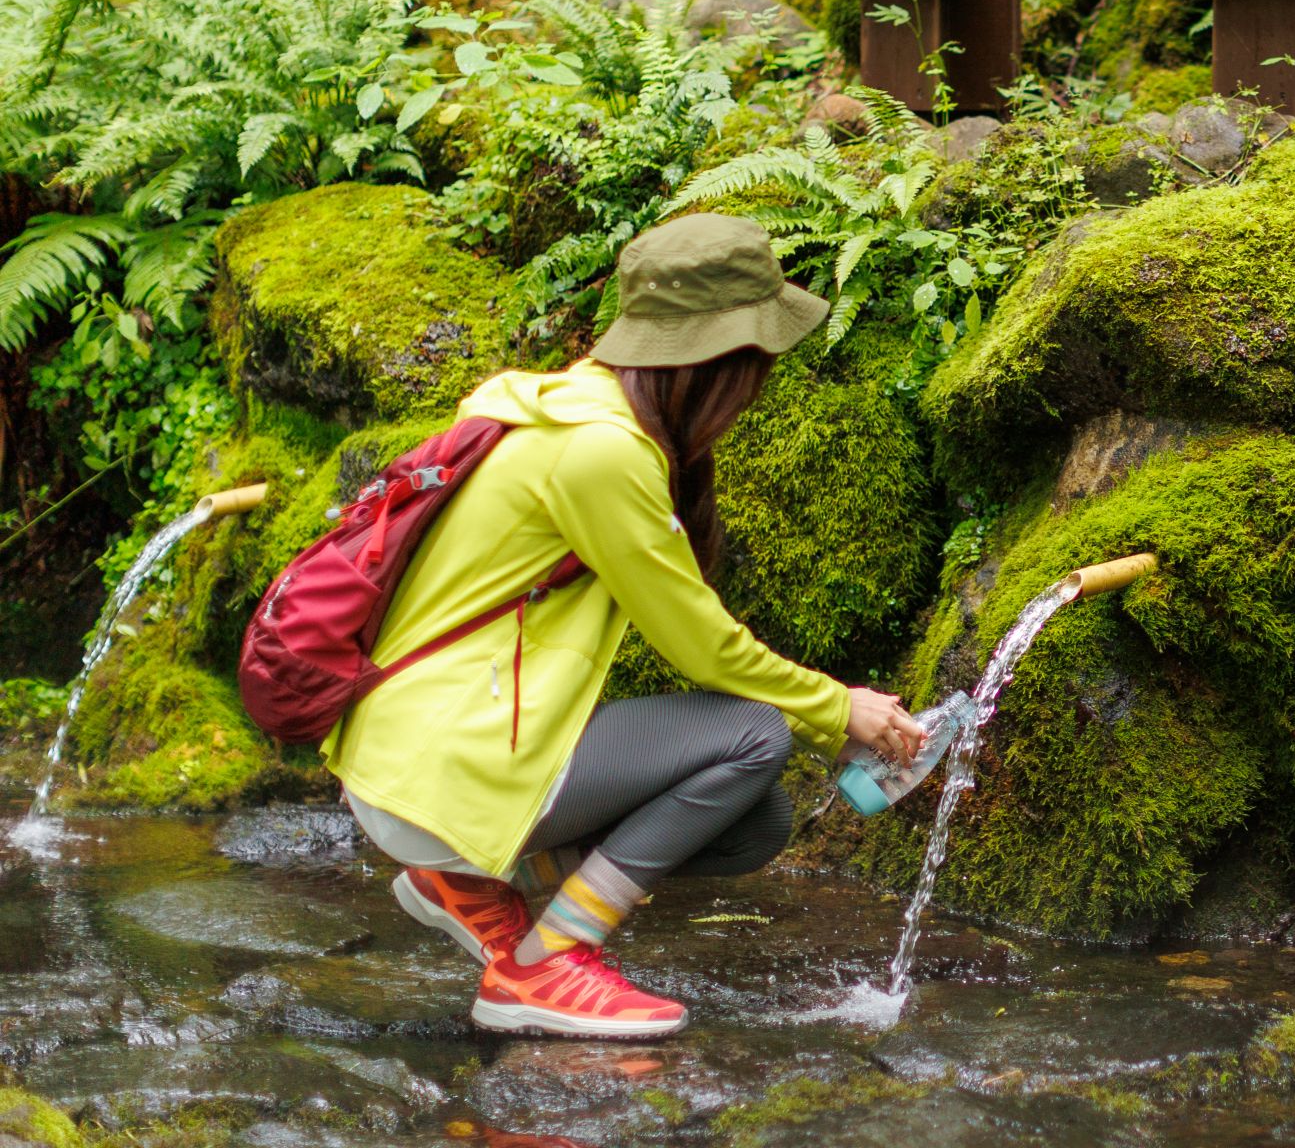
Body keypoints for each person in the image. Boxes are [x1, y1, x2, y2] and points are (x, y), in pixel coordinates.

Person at [321, 213, 928, 1038]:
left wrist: (833, 724)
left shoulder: (571, 410)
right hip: (444, 766)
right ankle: (543, 965)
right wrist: (836, 708)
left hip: (428, 752)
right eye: (759, 362)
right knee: (755, 736)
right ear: (719, 359)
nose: (759, 387)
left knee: (755, 822)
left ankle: (468, 885)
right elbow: (700, 646)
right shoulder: (599, 452)